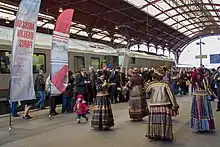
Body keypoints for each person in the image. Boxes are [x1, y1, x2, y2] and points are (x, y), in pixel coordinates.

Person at [145, 68, 179, 141]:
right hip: (164, 105)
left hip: (153, 105)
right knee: (164, 122)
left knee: (154, 121)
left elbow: (146, 91)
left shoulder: (152, 84)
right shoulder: (165, 84)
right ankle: (164, 135)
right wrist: (174, 105)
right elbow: (171, 95)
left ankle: (154, 134)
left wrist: (147, 84)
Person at [190, 68, 217, 132]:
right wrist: (213, 95)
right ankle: (205, 127)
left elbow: (193, 86)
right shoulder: (204, 78)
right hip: (203, 96)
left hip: (196, 95)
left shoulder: (193, 77)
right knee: (205, 110)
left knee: (197, 111)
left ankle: (198, 126)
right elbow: (207, 88)